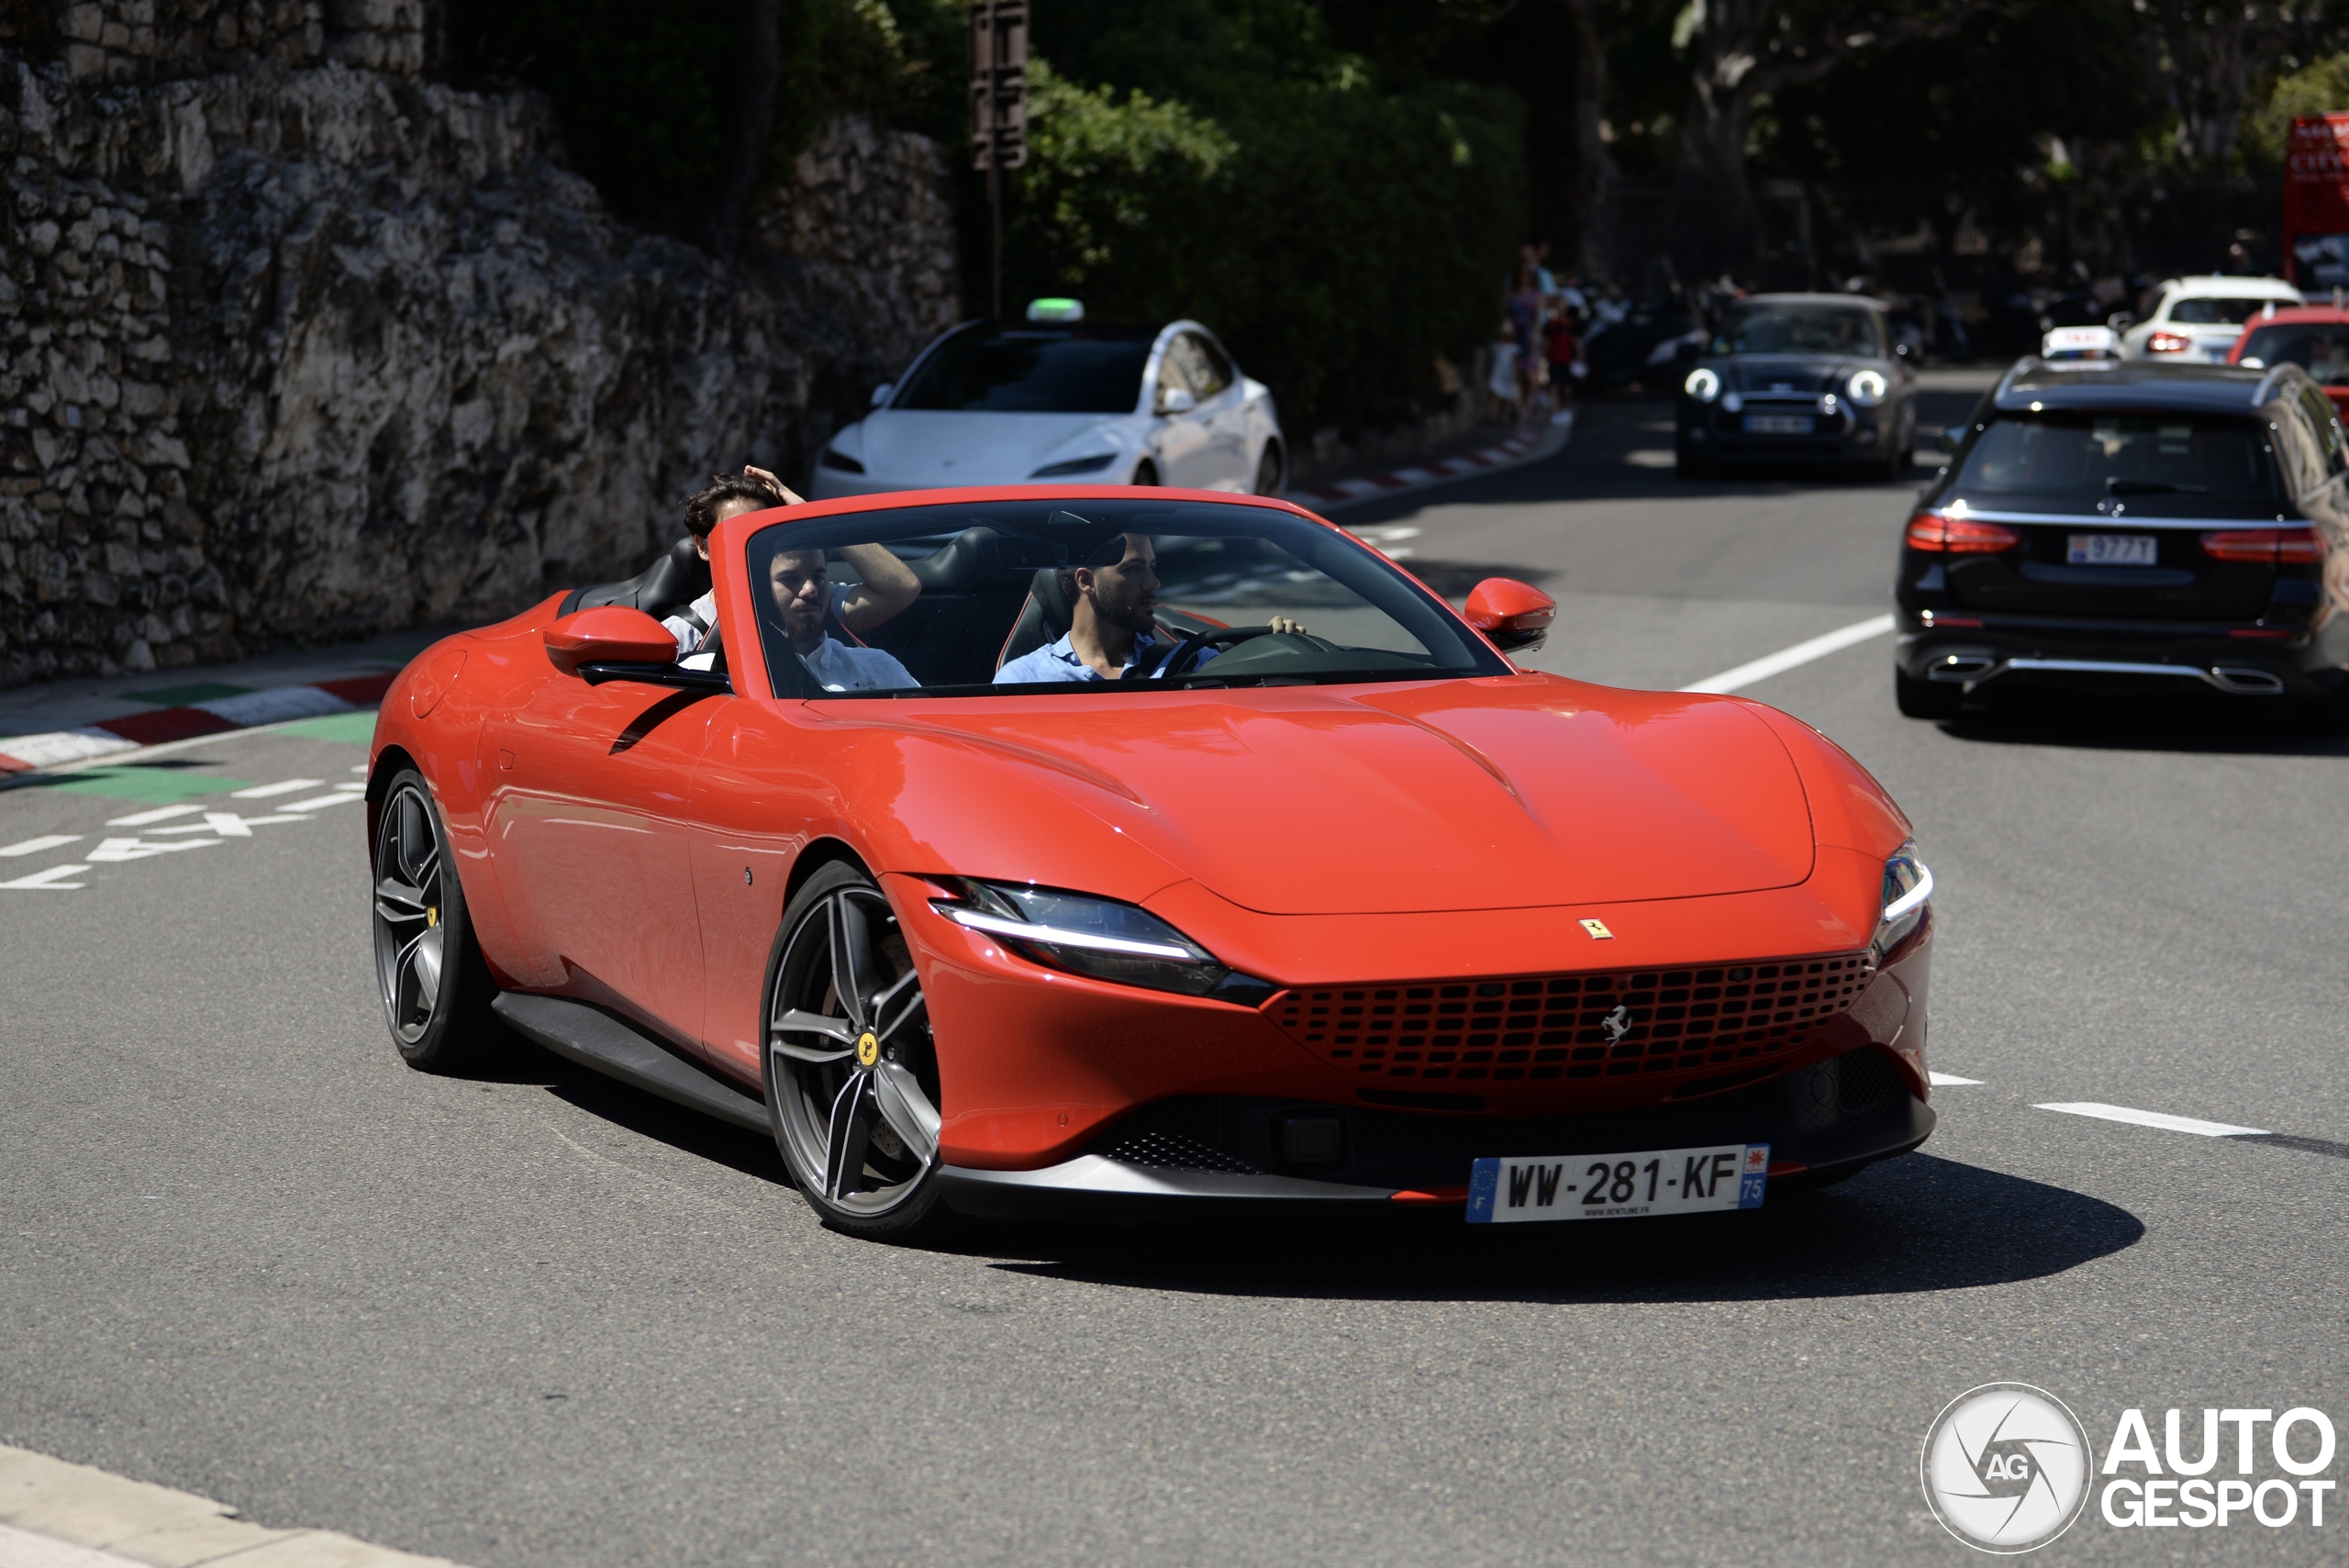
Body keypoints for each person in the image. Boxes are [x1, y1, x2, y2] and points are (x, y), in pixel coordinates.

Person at [662, 465, 919, 659]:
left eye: (760, 531)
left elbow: (902, 588)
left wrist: (810, 515)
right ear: (703, 547)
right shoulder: (681, 635)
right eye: (735, 534)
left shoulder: (812, 599)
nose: (750, 543)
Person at [994, 532, 1305, 684]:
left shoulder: (1192, 662)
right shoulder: (1025, 680)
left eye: (1152, 567)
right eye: (1133, 569)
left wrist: (1280, 651)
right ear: (1086, 580)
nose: (1153, 582)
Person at [767, 548, 918, 691]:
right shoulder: (745, 677)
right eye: (790, 579)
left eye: (818, 577)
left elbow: (903, 588)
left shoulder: (880, 667)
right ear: (752, 587)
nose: (810, 589)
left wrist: (826, 522)